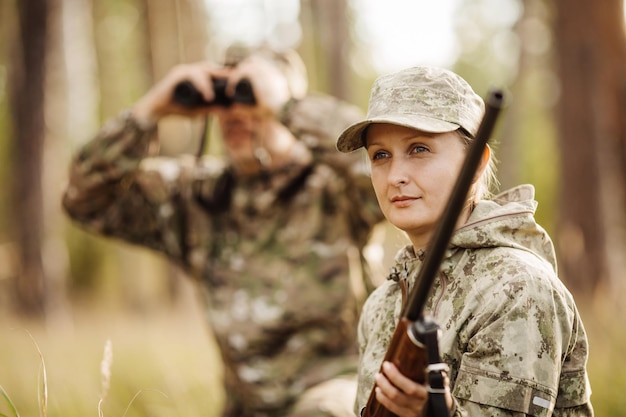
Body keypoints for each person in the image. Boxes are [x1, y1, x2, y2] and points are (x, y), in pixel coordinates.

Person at [61, 45, 385, 416]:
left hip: (338, 393)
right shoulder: (197, 196)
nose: (235, 114)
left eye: (250, 97)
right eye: (224, 101)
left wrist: (286, 106)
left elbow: (384, 160)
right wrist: (150, 111)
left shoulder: (336, 183)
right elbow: (82, 198)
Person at [335, 66, 594, 416]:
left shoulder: (516, 288)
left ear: (475, 165)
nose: (395, 176)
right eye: (381, 155)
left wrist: (432, 412)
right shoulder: (382, 304)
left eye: (419, 149)